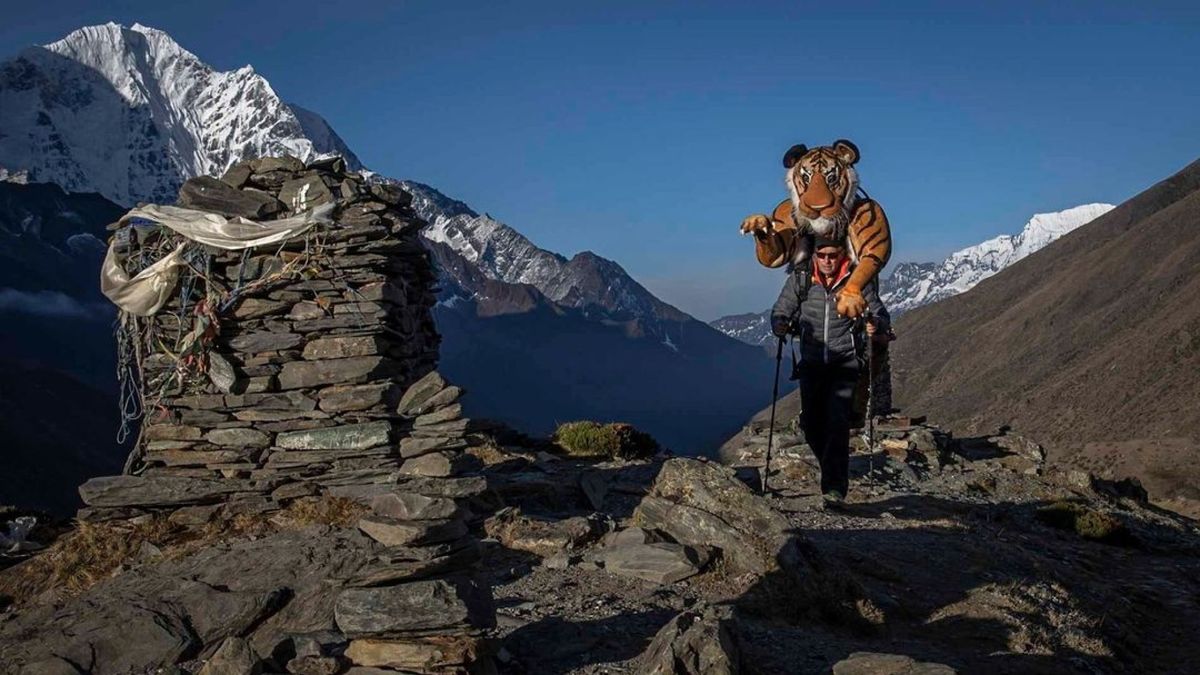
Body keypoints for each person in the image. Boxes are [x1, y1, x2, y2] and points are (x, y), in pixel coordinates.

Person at [771, 236, 890, 507]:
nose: (827, 260)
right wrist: (779, 323)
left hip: (845, 363)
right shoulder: (800, 281)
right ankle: (831, 469)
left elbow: (880, 313)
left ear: (842, 256)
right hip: (811, 364)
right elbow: (781, 309)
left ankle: (834, 489)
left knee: (837, 421)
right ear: (814, 255)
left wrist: (875, 324)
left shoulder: (856, 282)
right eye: (822, 255)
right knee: (811, 426)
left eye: (832, 255)